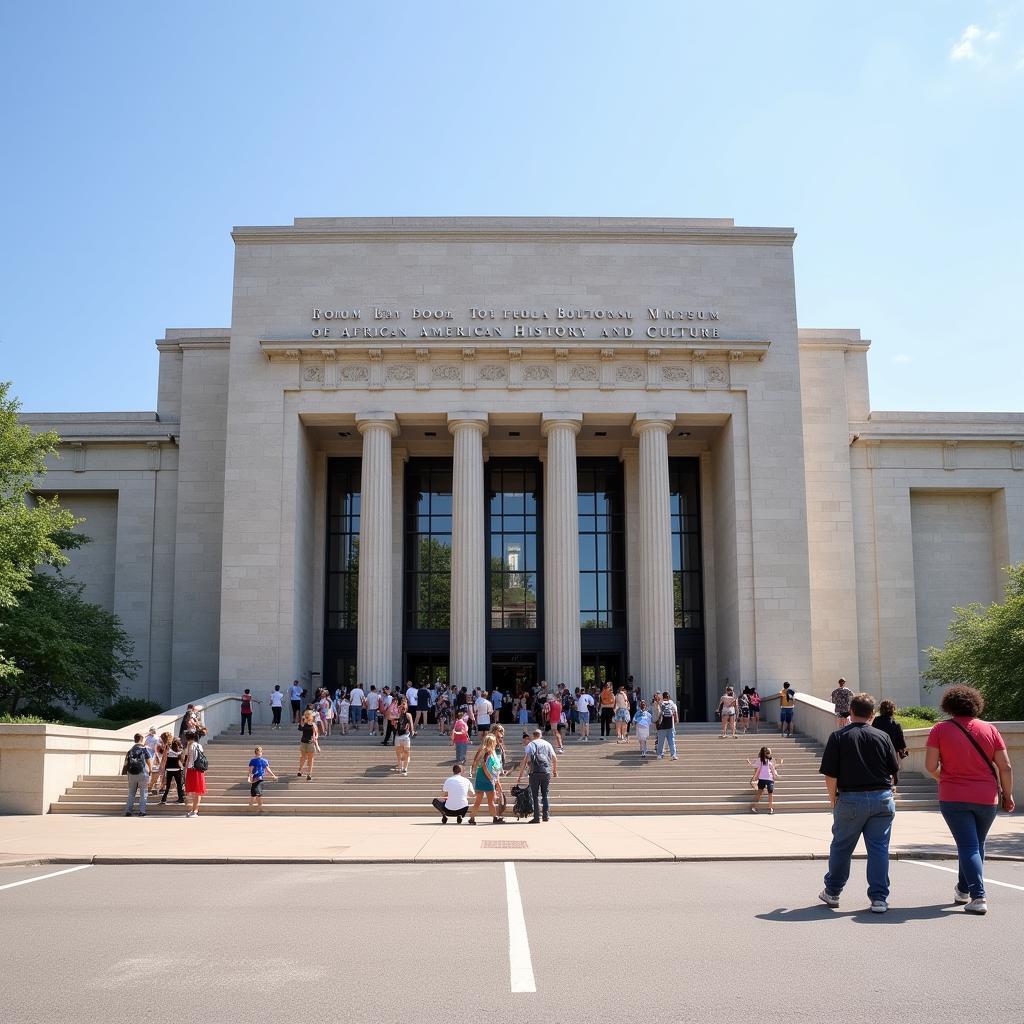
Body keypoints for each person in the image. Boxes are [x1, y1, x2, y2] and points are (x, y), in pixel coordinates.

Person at [925, 685, 1015, 915]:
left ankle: (978, 896)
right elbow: (1005, 766)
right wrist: (1008, 794)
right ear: (976, 704)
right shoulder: (990, 729)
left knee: (968, 845)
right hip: (987, 797)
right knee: (976, 844)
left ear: (949, 705)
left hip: (953, 796)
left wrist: (941, 777)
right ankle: (963, 889)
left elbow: (930, 766)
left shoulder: (940, 729)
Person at [817, 692, 900, 913]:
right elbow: (893, 770)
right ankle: (879, 899)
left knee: (842, 847)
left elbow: (830, 774)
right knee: (879, 849)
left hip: (850, 799)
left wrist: (832, 799)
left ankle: (833, 892)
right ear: (872, 715)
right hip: (881, 798)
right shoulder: (883, 737)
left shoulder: (838, 736)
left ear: (851, 712)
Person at [516, 727, 558, 823]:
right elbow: (554, 758)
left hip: (534, 771)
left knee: (534, 795)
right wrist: (554, 771)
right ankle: (546, 815)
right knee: (545, 794)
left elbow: (526, 760)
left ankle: (536, 817)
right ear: (541, 735)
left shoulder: (531, 744)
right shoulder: (548, 744)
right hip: (546, 771)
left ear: (533, 736)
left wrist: (520, 775)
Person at [468, 734, 504, 824]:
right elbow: (485, 766)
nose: (496, 742)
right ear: (491, 742)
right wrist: (492, 779)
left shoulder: (484, 751)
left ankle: (472, 818)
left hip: (480, 777)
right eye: (494, 741)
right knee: (490, 801)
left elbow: (479, 763)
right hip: (487, 777)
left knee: (478, 801)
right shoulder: (488, 752)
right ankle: (495, 818)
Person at [123, 733, 152, 816]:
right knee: (143, 793)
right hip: (142, 773)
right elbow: (148, 761)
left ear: (134, 739)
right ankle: (142, 811)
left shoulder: (130, 750)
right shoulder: (144, 749)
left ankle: (128, 811)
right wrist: (150, 770)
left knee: (131, 793)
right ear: (142, 739)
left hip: (131, 773)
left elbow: (126, 763)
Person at [750, 746, 781, 814]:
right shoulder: (760, 760)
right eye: (766, 753)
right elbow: (756, 768)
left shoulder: (770, 761)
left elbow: (773, 769)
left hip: (769, 779)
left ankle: (770, 808)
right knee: (759, 793)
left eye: (768, 753)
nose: (767, 754)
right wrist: (755, 777)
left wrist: (775, 776)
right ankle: (754, 807)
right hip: (761, 779)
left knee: (770, 793)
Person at [183, 729, 207, 818]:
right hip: (199, 769)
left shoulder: (189, 746)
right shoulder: (199, 745)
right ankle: (194, 810)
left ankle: (195, 810)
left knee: (194, 792)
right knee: (198, 791)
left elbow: (188, 759)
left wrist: (184, 771)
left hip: (191, 769)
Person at [247, 745, 278, 813]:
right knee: (253, 794)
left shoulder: (264, 760)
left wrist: (273, 775)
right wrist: (249, 777)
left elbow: (267, 769)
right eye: (258, 752)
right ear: (256, 752)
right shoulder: (253, 760)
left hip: (260, 778)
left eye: (260, 752)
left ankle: (259, 806)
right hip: (254, 778)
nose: (259, 753)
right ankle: (255, 805)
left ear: (262, 752)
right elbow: (250, 770)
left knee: (257, 792)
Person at [392, 699, 415, 775]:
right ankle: (400, 765)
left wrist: (412, 731)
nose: (403, 706)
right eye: (402, 704)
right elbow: (392, 722)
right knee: (399, 753)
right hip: (398, 736)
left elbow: (411, 723)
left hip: (406, 736)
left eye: (404, 704)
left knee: (406, 751)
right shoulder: (396, 714)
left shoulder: (408, 715)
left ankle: (405, 768)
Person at [159, 737, 185, 804]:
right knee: (179, 784)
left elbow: (165, 759)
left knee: (168, 785)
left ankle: (164, 799)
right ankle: (181, 798)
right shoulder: (180, 751)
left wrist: (162, 768)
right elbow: (182, 760)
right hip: (177, 769)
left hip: (169, 769)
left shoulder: (168, 750)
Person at [297, 709, 320, 781]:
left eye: (308, 715)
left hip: (310, 743)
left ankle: (309, 774)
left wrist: (316, 742)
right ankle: (300, 770)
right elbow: (300, 729)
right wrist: (302, 720)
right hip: (303, 742)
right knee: (303, 757)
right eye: (305, 715)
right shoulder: (304, 723)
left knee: (310, 759)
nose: (306, 717)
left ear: (311, 716)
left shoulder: (313, 724)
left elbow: (316, 734)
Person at [656, 691, 679, 760]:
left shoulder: (660, 703)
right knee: (671, 741)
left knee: (660, 741)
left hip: (662, 725)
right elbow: (675, 712)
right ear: (668, 696)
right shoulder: (671, 703)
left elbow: (658, 712)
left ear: (663, 697)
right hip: (670, 725)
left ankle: (660, 754)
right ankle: (673, 755)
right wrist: (676, 720)